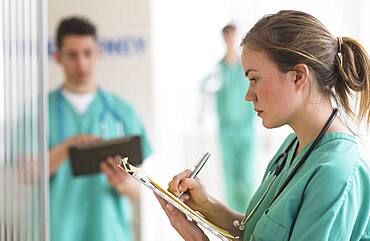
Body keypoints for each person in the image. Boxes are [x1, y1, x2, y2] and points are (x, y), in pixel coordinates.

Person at [157, 10, 370, 241]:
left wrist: (197, 239)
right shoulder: (293, 146)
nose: (248, 96)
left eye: (254, 79)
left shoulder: (337, 170)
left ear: (298, 76)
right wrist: (205, 205)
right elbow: (254, 233)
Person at [48, 16, 151, 241]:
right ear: (58, 57)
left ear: (98, 53)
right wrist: (66, 149)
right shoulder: (40, 113)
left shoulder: (122, 112)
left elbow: (139, 190)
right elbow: (24, 175)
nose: (82, 64)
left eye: (87, 53)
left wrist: (124, 183)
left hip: (110, 232)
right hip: (59, 232)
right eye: (72, 55)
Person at [201, 24, 256, 212]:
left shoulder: (246, 67)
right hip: (226, 129)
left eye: (232, 37)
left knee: (247, 176)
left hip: (246, 129)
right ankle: (234, 217)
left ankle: (249, 214)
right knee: (230, 177)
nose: (229, 40)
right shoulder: (219, 68)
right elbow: (205, 86)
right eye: (227, 37)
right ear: (223, 39)